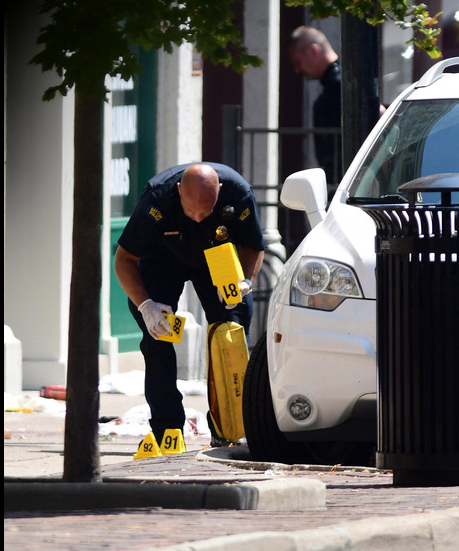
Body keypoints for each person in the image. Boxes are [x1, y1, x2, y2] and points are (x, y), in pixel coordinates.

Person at [114, 162, 265, 445]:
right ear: (179, 191)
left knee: (230, 334)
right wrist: (146, 305)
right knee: (157, 337)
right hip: (162, 259)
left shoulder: (239, 192)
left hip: (217, 258)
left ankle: (228, 429)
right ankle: (167, 430)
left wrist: (244, 282)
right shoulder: (156, 199)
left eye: (206, 211)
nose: (197, 218)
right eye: (191, 209)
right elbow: (123, 260)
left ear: (220, 191)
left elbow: (253, 244)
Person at [287, 25, 343, 191]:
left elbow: (377, 113)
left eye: (298, 62)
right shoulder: (337, 83)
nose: (297, 70)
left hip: (344, 180)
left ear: (313, 51)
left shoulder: (340, 84)